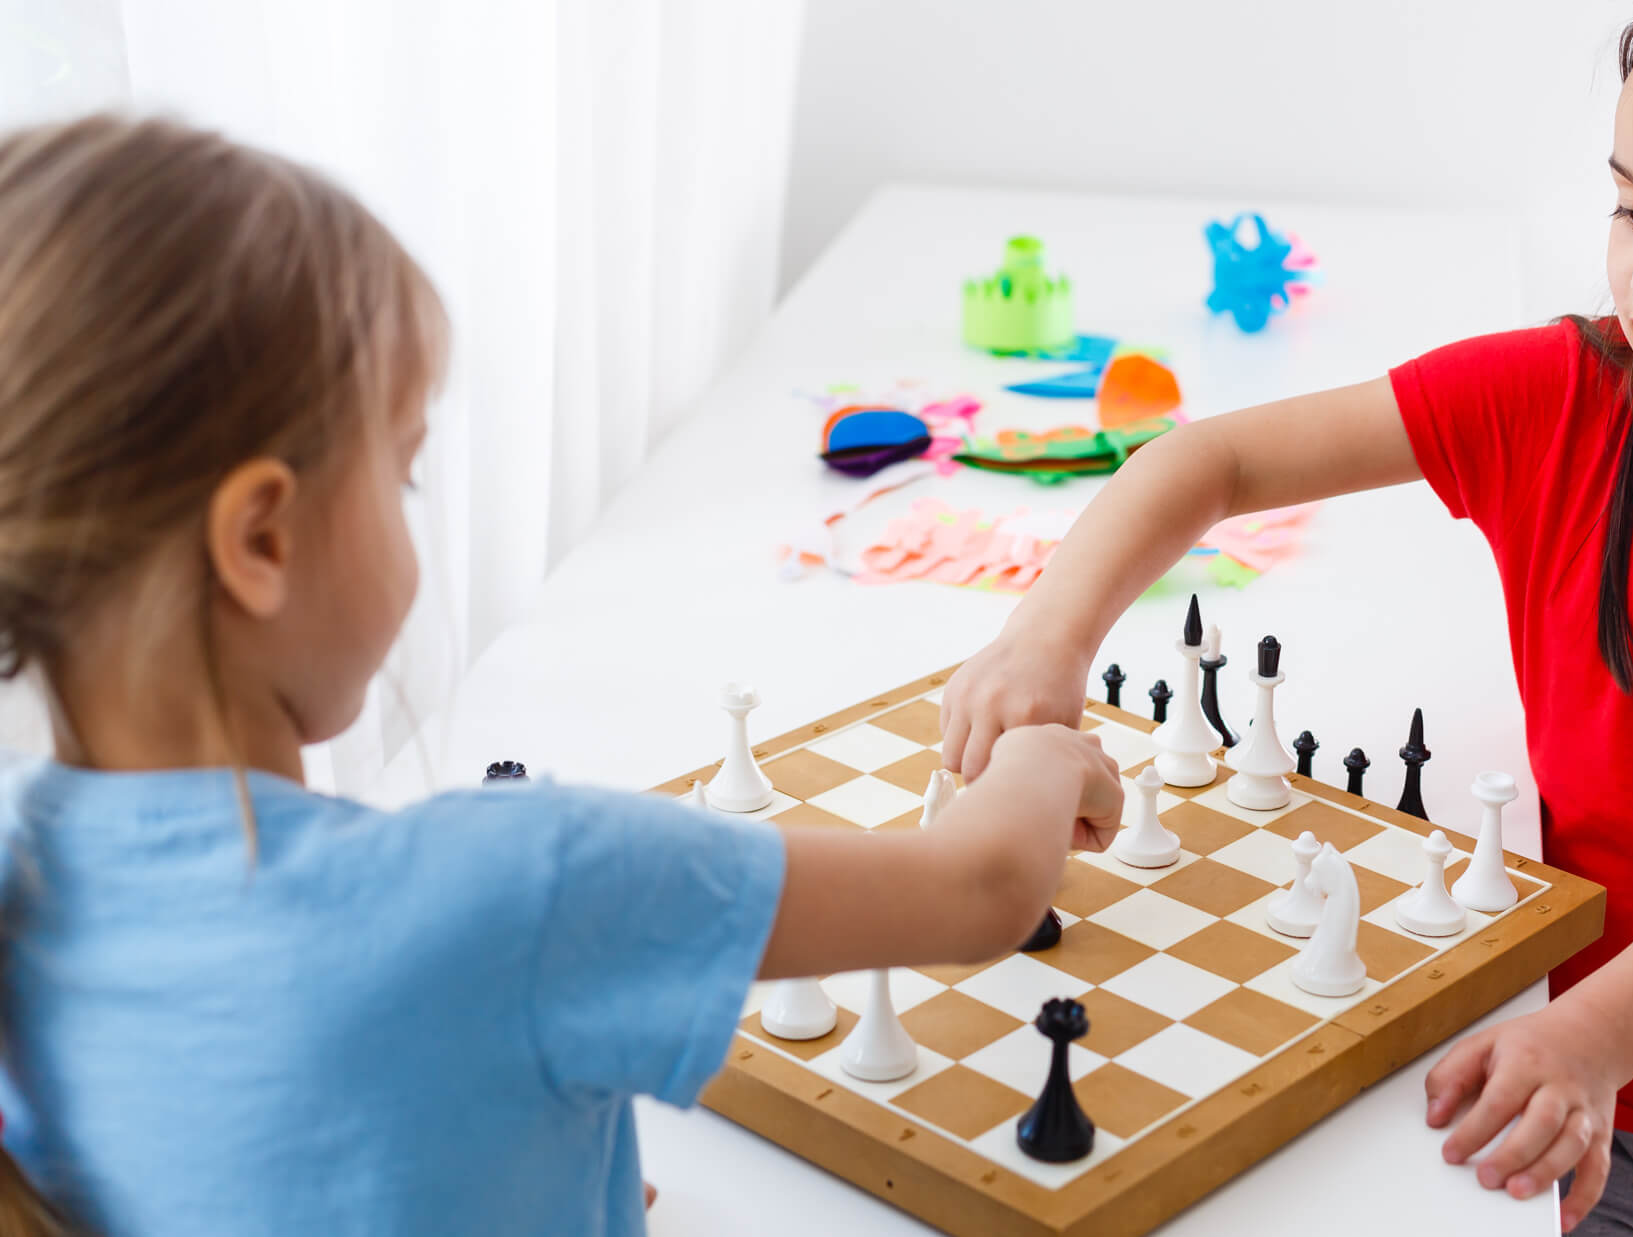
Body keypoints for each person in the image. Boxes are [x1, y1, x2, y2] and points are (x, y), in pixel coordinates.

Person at [941, 0, 1633, 1236]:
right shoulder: (1561, 398)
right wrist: (1043, 639)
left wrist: (1593, 1038)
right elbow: (1210, 461)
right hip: (1556, 1066)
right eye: (1629, 209)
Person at [0, 114, 1123, 1236]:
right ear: (261, 540)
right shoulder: (518, 884)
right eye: (401, 472)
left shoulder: (20, 883)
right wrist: (1040, 756)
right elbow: (978, 890)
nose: (410, 508)